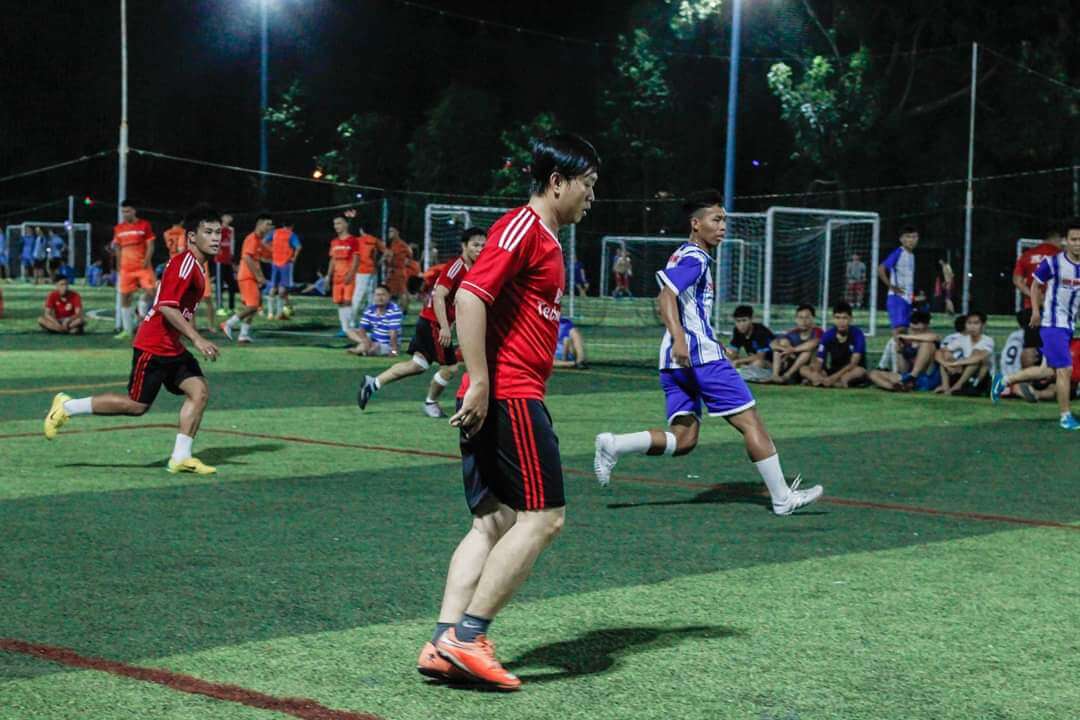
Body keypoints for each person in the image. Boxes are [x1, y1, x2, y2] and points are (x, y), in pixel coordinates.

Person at [416, 135, 597, 691]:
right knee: (544, 518)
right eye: (587, 185)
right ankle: (468, 637)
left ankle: (441, 642)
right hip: (510, 395)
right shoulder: (524, 227)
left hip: (501, 394)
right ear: (557, 183)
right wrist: (481, 382)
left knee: (492, 522)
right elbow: (470, 296)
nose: (591, 197)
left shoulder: (546, 239)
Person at [593, 189, 821, 513]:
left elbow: (683, 308)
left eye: (724, 220)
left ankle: (615, 445)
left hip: (675, 362)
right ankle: (783, 498)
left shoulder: (681, 254)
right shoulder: (696, 258)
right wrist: (682, 338)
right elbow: (666, 296)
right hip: (698, 358)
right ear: (696, 223)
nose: (723, 226)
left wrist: (706, 342)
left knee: (684, 439)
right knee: (751, 423)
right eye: (716, 220)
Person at [43, 205, 223, 473]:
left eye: (218, 232)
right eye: (208, 232)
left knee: (199, 391)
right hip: (153, 346)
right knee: (136, 406)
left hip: (171, 346)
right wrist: (197, 339)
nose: (216, 238)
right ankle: (67, 407)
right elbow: (166, 306)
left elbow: (181, 308)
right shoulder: (184, 264)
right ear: (192, 237)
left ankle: (180, 457)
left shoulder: (196, 266)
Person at [358, 228, 486, 418]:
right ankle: (430, 403)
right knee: (450, 368)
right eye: (475, 245)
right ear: (464, 246)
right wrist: (444, 327)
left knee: (418, 365)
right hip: (434, 323)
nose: (480, 249)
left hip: (428, 320)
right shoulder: (456, 266)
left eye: (483, 245)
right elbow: (439, 296)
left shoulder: (472, 268)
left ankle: (373, 383)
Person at [993, 219, 1080, 428]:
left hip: (1068, 324)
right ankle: (1065, 416)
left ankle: (1004, 380)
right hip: (1052, 323)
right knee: (1065, 369)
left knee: (1047, 370)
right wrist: (1035, 311)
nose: (1078, 244)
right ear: (1065, 241)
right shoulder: (1053, 262)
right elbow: (1034, 285)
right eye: (1074, 239)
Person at [1012, 229, 1063, 368]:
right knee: (1056, 348)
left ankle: (1024, 380)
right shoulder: (1060, 255)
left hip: (1031, 308)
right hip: (1055, 310)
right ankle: (1052, 380)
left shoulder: (1027, 255)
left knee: (1030, 346)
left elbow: (1017, 280)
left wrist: (1032, 295)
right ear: (1057, 238)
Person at [221, 213, 273, 344]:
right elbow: (247, 257)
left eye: (270, 225)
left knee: (254, 306)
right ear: (259, 224)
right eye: (267, 224)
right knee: (253, 306)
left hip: (250, 277)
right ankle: (228, 324)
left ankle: (243, 335)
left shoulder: (259, 241)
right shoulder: (252, 238)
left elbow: (266, 256)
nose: (269, 227)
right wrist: (259, 276)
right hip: (247, 277)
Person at [112, 201, 157, 339]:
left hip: (142, 267)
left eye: (128, 211)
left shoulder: (144, 225)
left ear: (134, 211)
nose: (125, 214)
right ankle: (128, 330)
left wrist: (147, 260)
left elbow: (151, 244)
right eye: (123, 212)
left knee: (152, 292)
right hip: (126, 268)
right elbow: (118, 248)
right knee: (125, 297)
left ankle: (141, 309)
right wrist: (118, 265)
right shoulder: (119, 228)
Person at [868, 310, 941, 392]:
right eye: (913, 329)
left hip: (927, 378)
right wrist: (900, 352)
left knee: (927, 344)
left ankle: (913, 377)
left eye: (918, 329)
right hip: (907, 378)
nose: (915, 331)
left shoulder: (932, 338)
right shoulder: (908, 340)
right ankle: (896, 387)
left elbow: (934, 337)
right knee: (873, 374)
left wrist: (906, 337)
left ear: (926, 325)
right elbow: (903, 370)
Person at [800, 301, 869, 388]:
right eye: (837, 318)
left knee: (859, 371)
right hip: (834, 370)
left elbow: (853, 363)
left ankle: (834, 382)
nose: (841, 321)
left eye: (844, 318)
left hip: (851, 370)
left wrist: (833, 378)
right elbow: (820, 360)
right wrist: (816, 373)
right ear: (833, 319)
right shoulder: (828, 335)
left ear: (851, 319)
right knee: (804, 369)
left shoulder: (858, 334)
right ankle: (822, 381)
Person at [936, 311, 994, 396]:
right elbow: (939, 352)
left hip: (982, 376)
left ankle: (958, 386)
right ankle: (945, 387)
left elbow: (979, 357)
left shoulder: (988, 340)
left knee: (974, 360)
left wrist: (956, 363)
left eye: (976, 323)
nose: (972, 327)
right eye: (969, 323)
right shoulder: (962, 339)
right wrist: (946, 363)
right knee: (946, 357)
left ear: (983, 325)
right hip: (965, 372)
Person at [346, 210, 384, 330]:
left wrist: (350, 219)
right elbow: (388, 253)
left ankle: (352, 322)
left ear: (361, 229)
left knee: (358, 297)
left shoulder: (357, 241)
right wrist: (378, 263)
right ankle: (371, 322)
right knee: (371, 297)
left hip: (362, 272)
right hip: (373, 272)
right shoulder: (374, 240)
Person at [878, 226, 918, 337]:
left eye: (914, 237)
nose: (911, 240)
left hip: (907, 299)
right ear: (901, 239)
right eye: (908, 237)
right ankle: (895, 348)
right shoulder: (898, 252)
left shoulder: (912, 255)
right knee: (899, 330)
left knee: (907, 330)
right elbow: (881, 268)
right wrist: (892, 287)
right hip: (897, 298)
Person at [327, 214, 361, 338]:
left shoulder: (353, 240)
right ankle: (344, 328)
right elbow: (332, 260)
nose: (336, 226)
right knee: (339, 302)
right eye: (335, 224)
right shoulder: (334, 242)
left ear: (346, 224)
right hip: (337, 277)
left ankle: (351, 326)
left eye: (339, 223)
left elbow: (356, 259)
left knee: (348, 301)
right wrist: (328, 276)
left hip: (348, 276)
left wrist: (351, 274)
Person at [769, 304, 822, 384]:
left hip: (808, 368)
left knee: (807, 352)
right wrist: (785, 349)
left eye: (807, 317)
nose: (803, 321)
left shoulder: (818, 331)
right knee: (781, 344)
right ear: (796, 319)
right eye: (800, 318)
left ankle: (786, 376)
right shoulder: (793, 332)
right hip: (793, 363)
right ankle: (775, 376)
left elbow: (814, 343)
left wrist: (792, 350)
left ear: (813, 318)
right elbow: (772, 344)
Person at [351, 285, 403, 356]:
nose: (380, 298)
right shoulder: (370, 309)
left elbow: (393, 332)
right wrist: (365, 340)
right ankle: (364, 346)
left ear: (389, 296)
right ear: (374, 297)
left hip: (387, 343)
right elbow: (362, 329)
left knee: (374, 348)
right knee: (351, 331)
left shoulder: (394, 310)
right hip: (373, 339)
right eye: (377, 295)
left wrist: (394, 350)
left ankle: (362, 350)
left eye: (383, 295)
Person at [726, 305, 774, 382]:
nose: (741, 324)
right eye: (738, 321)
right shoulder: (737, 331)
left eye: (744, 320)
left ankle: (739, 374)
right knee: (727, 360)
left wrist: (738, 361)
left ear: (751, 319)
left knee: (757, 363)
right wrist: (728, 355)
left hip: (771, 364)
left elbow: (761, 356)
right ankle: (742, 373)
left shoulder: (760, 331)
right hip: (751, 363)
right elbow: (733, 352)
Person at [268, 220, 301, 320]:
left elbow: (264, 242)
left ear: (282, 225)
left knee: (273, 287)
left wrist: (272, 251)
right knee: (282, 289)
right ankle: (279, 313)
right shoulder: (291, 234)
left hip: (275, 262)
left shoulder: (275, 232)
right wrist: (294, 258)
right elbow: (299, 247)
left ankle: (270, 313)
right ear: (292, 226)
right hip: (286, 264)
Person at [214, 213, 238, 315]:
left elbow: (232, 243)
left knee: (232, 284)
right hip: (220, 261)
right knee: (219, 285)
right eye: (227, 216)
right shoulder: (218, 229)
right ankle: (219, 308)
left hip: (228, 261)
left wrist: (232, 257)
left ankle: (232, 307)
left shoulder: (231, 230)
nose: (229, 218)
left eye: (230, 217)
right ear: (223, 218)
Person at [384, 226, 413, 303]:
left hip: (399, 272)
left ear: (397, 232)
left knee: (401, 292)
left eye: (391, 231)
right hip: (392, 272)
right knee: (390, 291)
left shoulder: (402, 244)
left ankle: (404, 308)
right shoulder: (392, 244)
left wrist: (404, 264)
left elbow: (410, 255)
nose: (389, 233)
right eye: (389, 231)